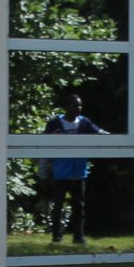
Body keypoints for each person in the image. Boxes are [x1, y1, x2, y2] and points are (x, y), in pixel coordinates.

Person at [39, 92, 106, 245]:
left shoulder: (84, 122)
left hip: (79, 173)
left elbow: (100, 132)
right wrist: (43, 173)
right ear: (66, 107)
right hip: (60, 173)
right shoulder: (54, 124)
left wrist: (114, 139)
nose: (79, 108)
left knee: (79, 206)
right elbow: (44, 148)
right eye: (75, 105)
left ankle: (78, 237)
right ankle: (56, 237)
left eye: (80, 105)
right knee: (58, 206)